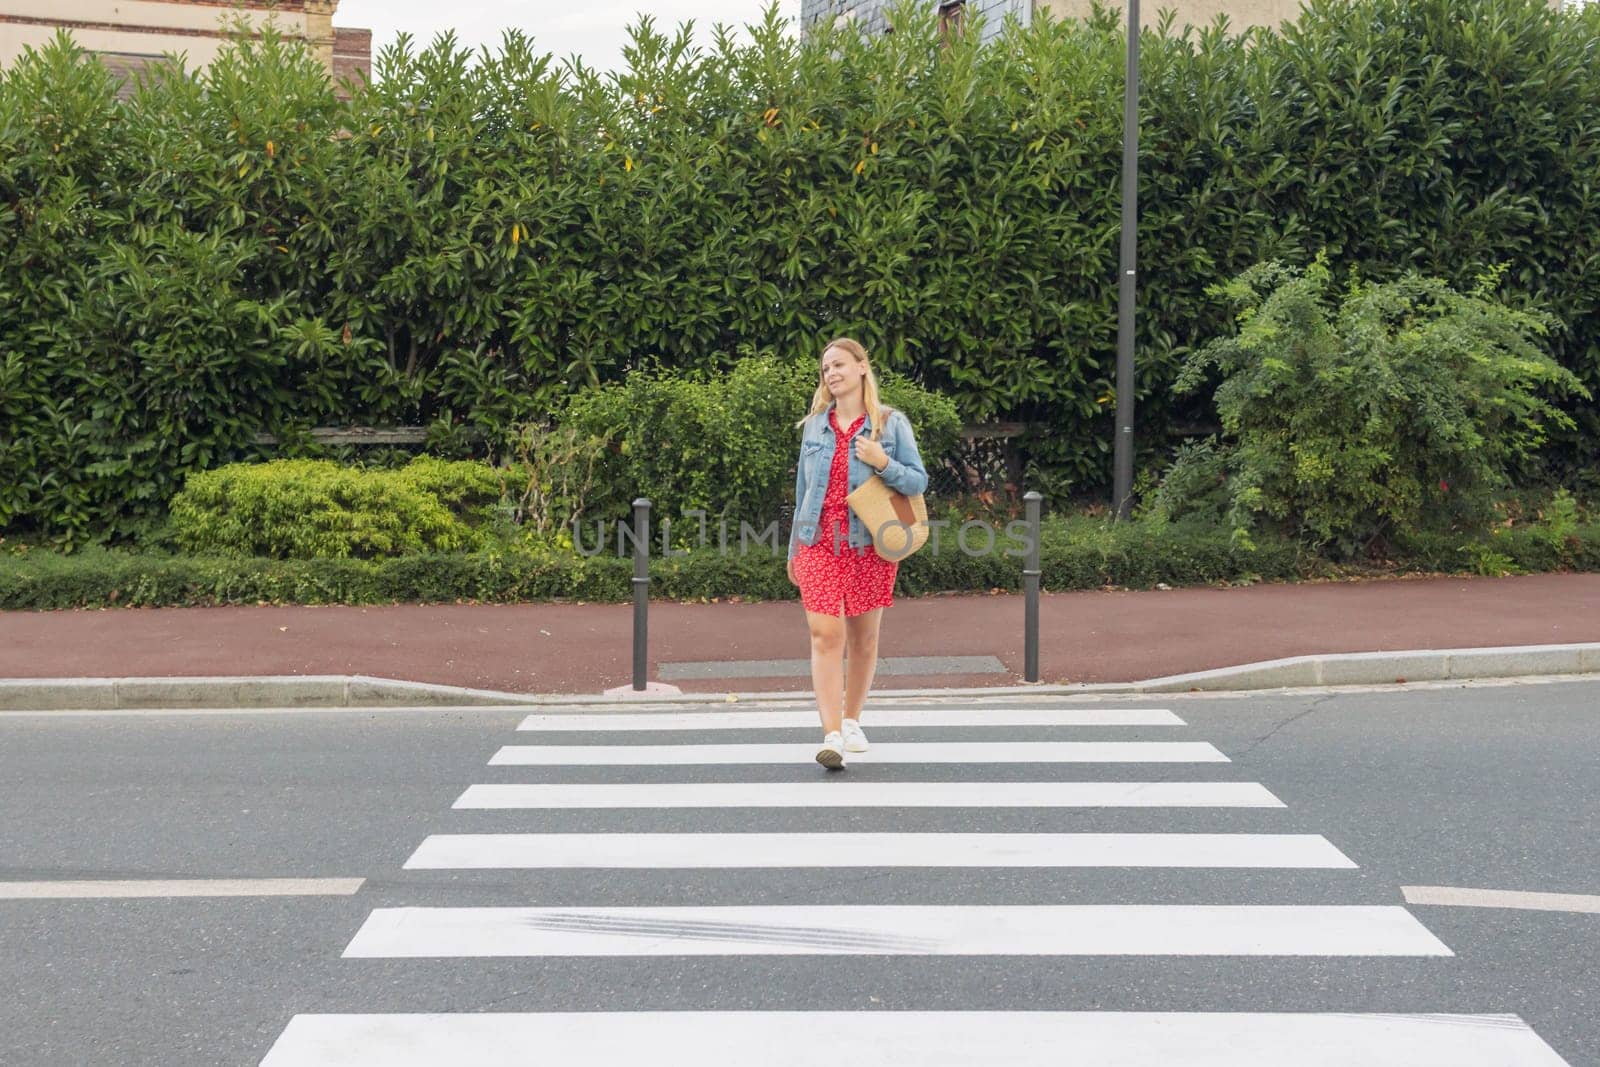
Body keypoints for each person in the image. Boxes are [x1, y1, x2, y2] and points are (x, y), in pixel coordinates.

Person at [786, 337, 928, 769]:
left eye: (839, 365)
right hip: (819, 543)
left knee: (864, 639)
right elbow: (800, 494)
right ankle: (831, 734)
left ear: (862, 367)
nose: (831, 373)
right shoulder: (814, 426)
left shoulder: (889, 423)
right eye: (826, 368)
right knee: (826, 635)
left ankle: (852, 720)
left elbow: (918, 482)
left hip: (870, 544)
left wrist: (882, 462)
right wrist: (794, 549)